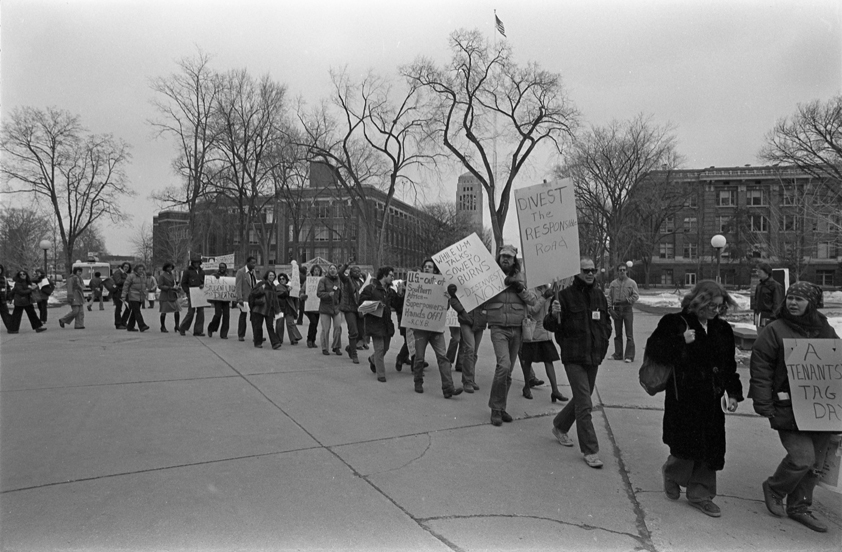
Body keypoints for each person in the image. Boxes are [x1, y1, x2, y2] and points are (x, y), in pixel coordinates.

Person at [644, 280, 742, 517]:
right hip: (684, 398)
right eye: (711, 306)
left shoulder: (723, 329)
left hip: (713, 398)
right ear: (698, 301)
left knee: (710, 449)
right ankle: (672, 473)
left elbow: (728, 364)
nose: (715, 311)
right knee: (685, 447)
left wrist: (734, 393)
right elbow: (655, 351)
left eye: (719, 307)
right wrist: (681, 341)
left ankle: (701, 494)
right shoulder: (674, 322)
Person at [749, 281, 839, 533]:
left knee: (816, 464)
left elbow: (835, 364)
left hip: (820, 407)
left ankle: (799, 507)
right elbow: (761, 368)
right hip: (787, 407)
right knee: (802, 458)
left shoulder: (824, 328)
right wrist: (763, 402)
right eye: (790, 298)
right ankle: (775, 488)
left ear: (811, 303)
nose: (792, 303)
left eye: (799, 299)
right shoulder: (775, 330)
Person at [544, 257, 612, 467]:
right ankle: (590, 450)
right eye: (585, 270)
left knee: (583, 398)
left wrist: (605, 338)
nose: (590, 273)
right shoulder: (563, 297)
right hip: (573, 356)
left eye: (592, 270)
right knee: (585, 403)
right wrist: (554, 315)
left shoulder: (599, 296)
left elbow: (606, 322)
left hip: (593, 356)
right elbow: (549, 325)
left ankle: (560, 426)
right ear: (577, 272)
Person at [484, 245, 537, 425]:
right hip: (498, 327)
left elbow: (533, 300)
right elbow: (478, 296)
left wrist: (519, 288)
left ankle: (501, 407)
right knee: (503, 365)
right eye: (503, 256)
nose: (505, 259)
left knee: (508, 372)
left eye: (509, 257)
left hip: (517, 328)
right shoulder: (488, 275)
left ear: (515, 260)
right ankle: (495, 408)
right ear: (498, 259)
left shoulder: (523, 277)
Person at [412, 258, 463, 399]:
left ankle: (448, 388)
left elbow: (444, 309)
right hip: (421, 328)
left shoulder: (441, 286)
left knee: (443, 357)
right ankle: (418, 381)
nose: (427, 269)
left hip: (435, 329)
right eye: (425, 267)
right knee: (420, 357)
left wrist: (445, 299)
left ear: (435, 270)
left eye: (430, 267)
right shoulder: (415, 284)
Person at [519, 285, 568, 403]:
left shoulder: (548, 289)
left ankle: (555, 390)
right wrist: (544, 297)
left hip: (545, 332)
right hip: (534, 331)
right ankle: (526, 386)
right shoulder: (531, 290)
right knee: (528, 360)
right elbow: (532, 310)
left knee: (548, 360)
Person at [447, 283, 487, 394]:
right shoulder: (461, 282)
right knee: (470, 348)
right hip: (467, 319)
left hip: (480, 319)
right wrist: (462, 311)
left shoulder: (484, 283)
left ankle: (471, 379)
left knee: (474, 351)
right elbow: (453, 300)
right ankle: (467, 381)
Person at [359, 266, 397, 382]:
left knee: (385, 348)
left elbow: (397, 305)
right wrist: (376, 304)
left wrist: (400, 294)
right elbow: (361, 304)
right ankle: (381, 374)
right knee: (379, 349)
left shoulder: (390, 291)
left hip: (386, 323)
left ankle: (372, 359)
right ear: (384, 275)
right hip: (374, 323)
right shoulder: (371, 288)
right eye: (391, 275)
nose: (392, 278)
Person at [607, 263, 640, 363]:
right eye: (620, 270)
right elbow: (609, 297)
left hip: (627, 309)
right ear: (617, 271)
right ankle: (618, 354)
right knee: (618, 333)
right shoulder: (613, 284)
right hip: (616, 309)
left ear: (626, 271)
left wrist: (628, 300)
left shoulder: (632, 283)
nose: (622, 272)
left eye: (624, 270)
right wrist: (610, 309)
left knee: (629, 334)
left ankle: (629, 356)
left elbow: (636, 295)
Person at [248, 270, 282, 349]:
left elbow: (275, 299)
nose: (271, 277)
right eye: (270, 275)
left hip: (269, 309)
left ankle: (275, 343)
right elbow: (253, 293)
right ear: (267, 276)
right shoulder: (261, 284)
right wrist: (261, 289)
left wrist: (278, 310)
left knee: (270, 326)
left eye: (273, 275)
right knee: (258, 326)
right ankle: (257, 343)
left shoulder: (273, 286)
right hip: (259, 308)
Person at [338, 262, 364, 364]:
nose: (357, 272)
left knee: (361, 333)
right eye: (354, 271)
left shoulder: (362, 283)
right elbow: (340, 273)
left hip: (360, 309)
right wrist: (346, 264)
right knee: (353, 331)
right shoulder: (347, 280)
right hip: (350, 309)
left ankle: (350, 347)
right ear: (351, 273)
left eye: (359, 271)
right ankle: (354, 354)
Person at [317, 264, 343, 356]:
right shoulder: (323, 280)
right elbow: (319, 293)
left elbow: (342, 294)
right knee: (326, 329)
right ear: (328, 270)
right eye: (331, 268)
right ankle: (325, 348)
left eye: (334, 269)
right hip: (325, 308)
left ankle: (336, 347)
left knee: (338, 327)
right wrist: (328, 294)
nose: (332, 270)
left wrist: (341, 305)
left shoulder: (339, 280)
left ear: (336, 270)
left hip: (336, 308)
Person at [179, 254, 206, 337]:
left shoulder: (202, 272)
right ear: (192, 263)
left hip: (200, 294)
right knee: (191, 312)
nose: (196, 264)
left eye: (198, 262)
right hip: (192, 294)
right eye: (195, 262)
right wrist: (188, 292)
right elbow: (183, 283)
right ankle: (183, 328)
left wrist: (203, 285)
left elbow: (205, 282)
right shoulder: (187, 271)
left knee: (201, 312)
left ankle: (198, 331)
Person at [752, 262, 784, 331]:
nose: (758, 273)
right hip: (759, 315)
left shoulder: (775, 286)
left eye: (760, 272)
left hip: (769, 315)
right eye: (757, 271)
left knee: (767, 335)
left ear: (767, 272)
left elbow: (777, 303)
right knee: (760, 336)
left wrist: (773, 317)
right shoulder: (759, 286)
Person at [235, 257, 258, 342]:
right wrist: (239, 298)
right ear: (247, 263)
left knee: (254, 317)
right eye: (252, 263)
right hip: (244, 298)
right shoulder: (241, 272)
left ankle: (256, 335)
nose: (254, 265)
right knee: (243, 316)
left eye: (255, 263)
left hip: (253, 298)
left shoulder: (253, 272)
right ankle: (241, 335)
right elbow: (238, 286)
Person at [275, 273, 302, 345]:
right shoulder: (278, 286)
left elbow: (295, 298)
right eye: (280, 279)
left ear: (286, 280)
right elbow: (281, 294)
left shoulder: (289, 287)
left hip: (288, 308)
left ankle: (293, 338)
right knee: (279, 324)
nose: (281, 280)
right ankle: (278, 339)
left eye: (283, 279)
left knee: (290, 323)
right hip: (280, 308)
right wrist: (288, 291)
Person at [122, 263, 150, 332]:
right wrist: (123, 296)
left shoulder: (143, 276)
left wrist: (145, 293)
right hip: (133, 296)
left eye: (142, 269)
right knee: (137, 311)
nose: (141, 270)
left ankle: (130, 327)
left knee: (134, 312)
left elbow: (145, 285)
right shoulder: (131, 276)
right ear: (136, 270)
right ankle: (142, 325)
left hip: (140, 296)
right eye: (139, 269)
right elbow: (126, 286)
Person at [301, 265, 323, 348]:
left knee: (315, 324)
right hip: (309, 305)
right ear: (312, 272)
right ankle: (309, 340)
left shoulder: (322, 281)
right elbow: (302, 291)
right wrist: (302, 295)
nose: (316, 272)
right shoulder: (308, 281)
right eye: (315, 270)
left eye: (318, 270)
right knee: (313, 322)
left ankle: (313, 340)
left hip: (318, 306)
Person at [207, 263, 230, 339]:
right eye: (220, 267)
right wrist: (214, 276)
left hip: (226, 299)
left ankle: (224, 334)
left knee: (226, 316)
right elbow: (209, 280)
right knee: (218, 315)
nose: (222, 268)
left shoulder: (228, 276)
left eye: (223, 267)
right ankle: (211, 328)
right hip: (218, 299)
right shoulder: (215, 275)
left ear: (226, 268)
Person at [157, 262, 181, 332]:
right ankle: (162, 326)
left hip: (173, 295)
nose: (170, 269)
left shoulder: (172, 275)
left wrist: (177, 287)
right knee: (164, 311)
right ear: (165, 268)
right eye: (168, 267)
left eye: (171, 267)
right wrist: (169, 288)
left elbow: (174, 283)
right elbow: (160, 286)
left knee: (177, 310)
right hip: (165, 295)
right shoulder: (162, 276)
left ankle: (177, 325)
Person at [111, 262, 131, 329]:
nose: (126, 268)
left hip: (124, 292)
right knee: (119, 308)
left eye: (127, 267)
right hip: (118, 292)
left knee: (129, 307)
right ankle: (118, 323)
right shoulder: (118, 272)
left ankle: (123, 322)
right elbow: (118, 281)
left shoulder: (125, 273)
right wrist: (127, 280)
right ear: (122, 266)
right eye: (125, 267)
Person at [0, 264, 11, 332]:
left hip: (2, 300)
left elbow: (8, 289)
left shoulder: (4, 279)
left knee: (5, 314)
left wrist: (9, 297)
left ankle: (10, 328)